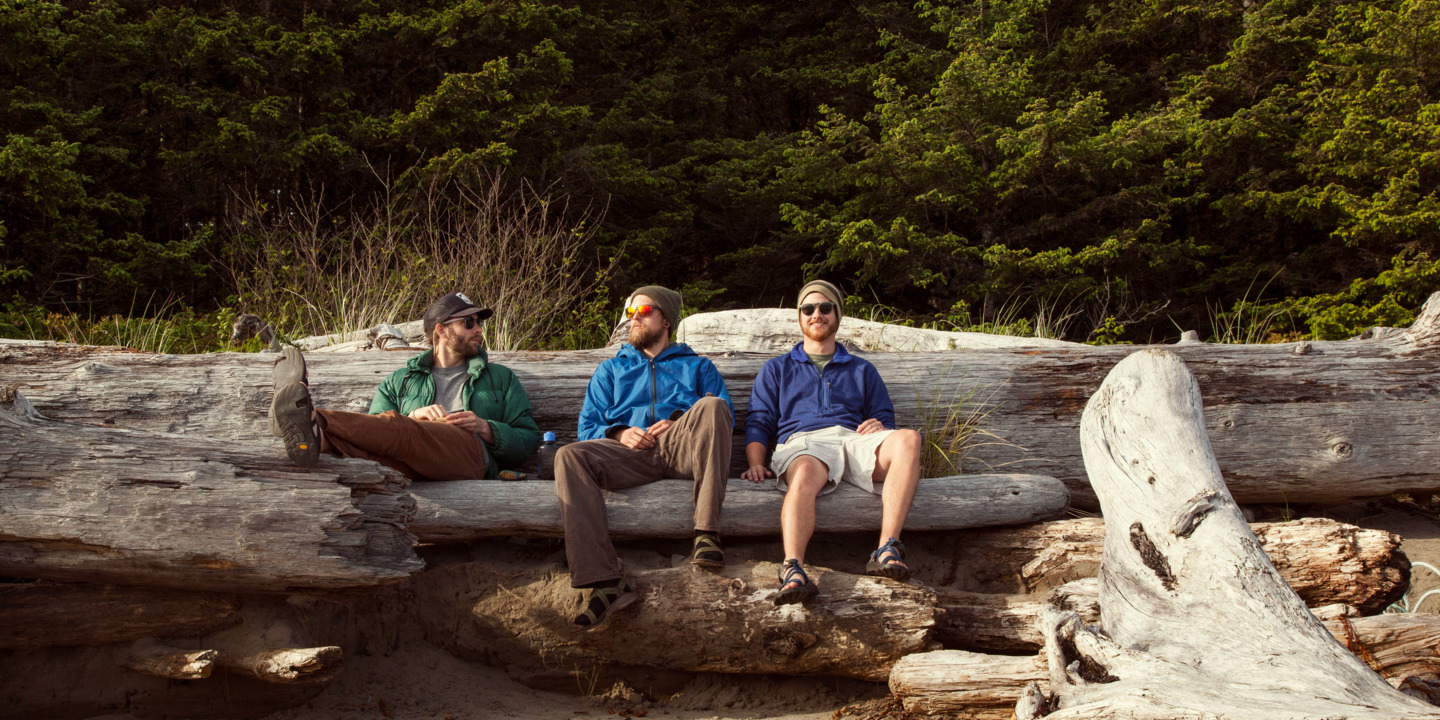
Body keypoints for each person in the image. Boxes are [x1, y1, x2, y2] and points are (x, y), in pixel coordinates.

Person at [555, 285, 735, 630]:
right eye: (630, 313)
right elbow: (587, 427)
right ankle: (604, 581)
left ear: (666, 319)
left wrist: (683, 421)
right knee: (568, 456)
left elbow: (723, 417)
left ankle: (706, 534)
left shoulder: (697, 366)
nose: (634, 318)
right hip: (629, 456)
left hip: (683, 449)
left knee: (712, 405)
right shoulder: (611, 370)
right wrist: (619, 433)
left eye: (644, 311)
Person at [741, 280, 923, 605]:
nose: (817, 314)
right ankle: (793, 567)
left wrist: (880, 426)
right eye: (808, 309)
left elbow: (884, 417)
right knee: (808, 469)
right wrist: (756, 462)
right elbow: (758, 422)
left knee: (908, 440)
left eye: (825, 308)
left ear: (837, 314)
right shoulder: (777, 369)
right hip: (803, 443)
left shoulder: (861, 369)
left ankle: (887, 547)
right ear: (799, 317)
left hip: (852, 441)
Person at [269, 291, 541, 481]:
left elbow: (527, 441)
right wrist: (414, 417)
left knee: (402, 426)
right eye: (469, 322)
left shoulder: (500, 378)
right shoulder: (400, 381)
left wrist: (485, 428)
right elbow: (374, 433)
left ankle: (311, 418)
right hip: (411, 467)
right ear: (441, 330)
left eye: (479, 323)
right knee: (368, 452)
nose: (478, 329)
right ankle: (315, 435)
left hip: (471, 458)